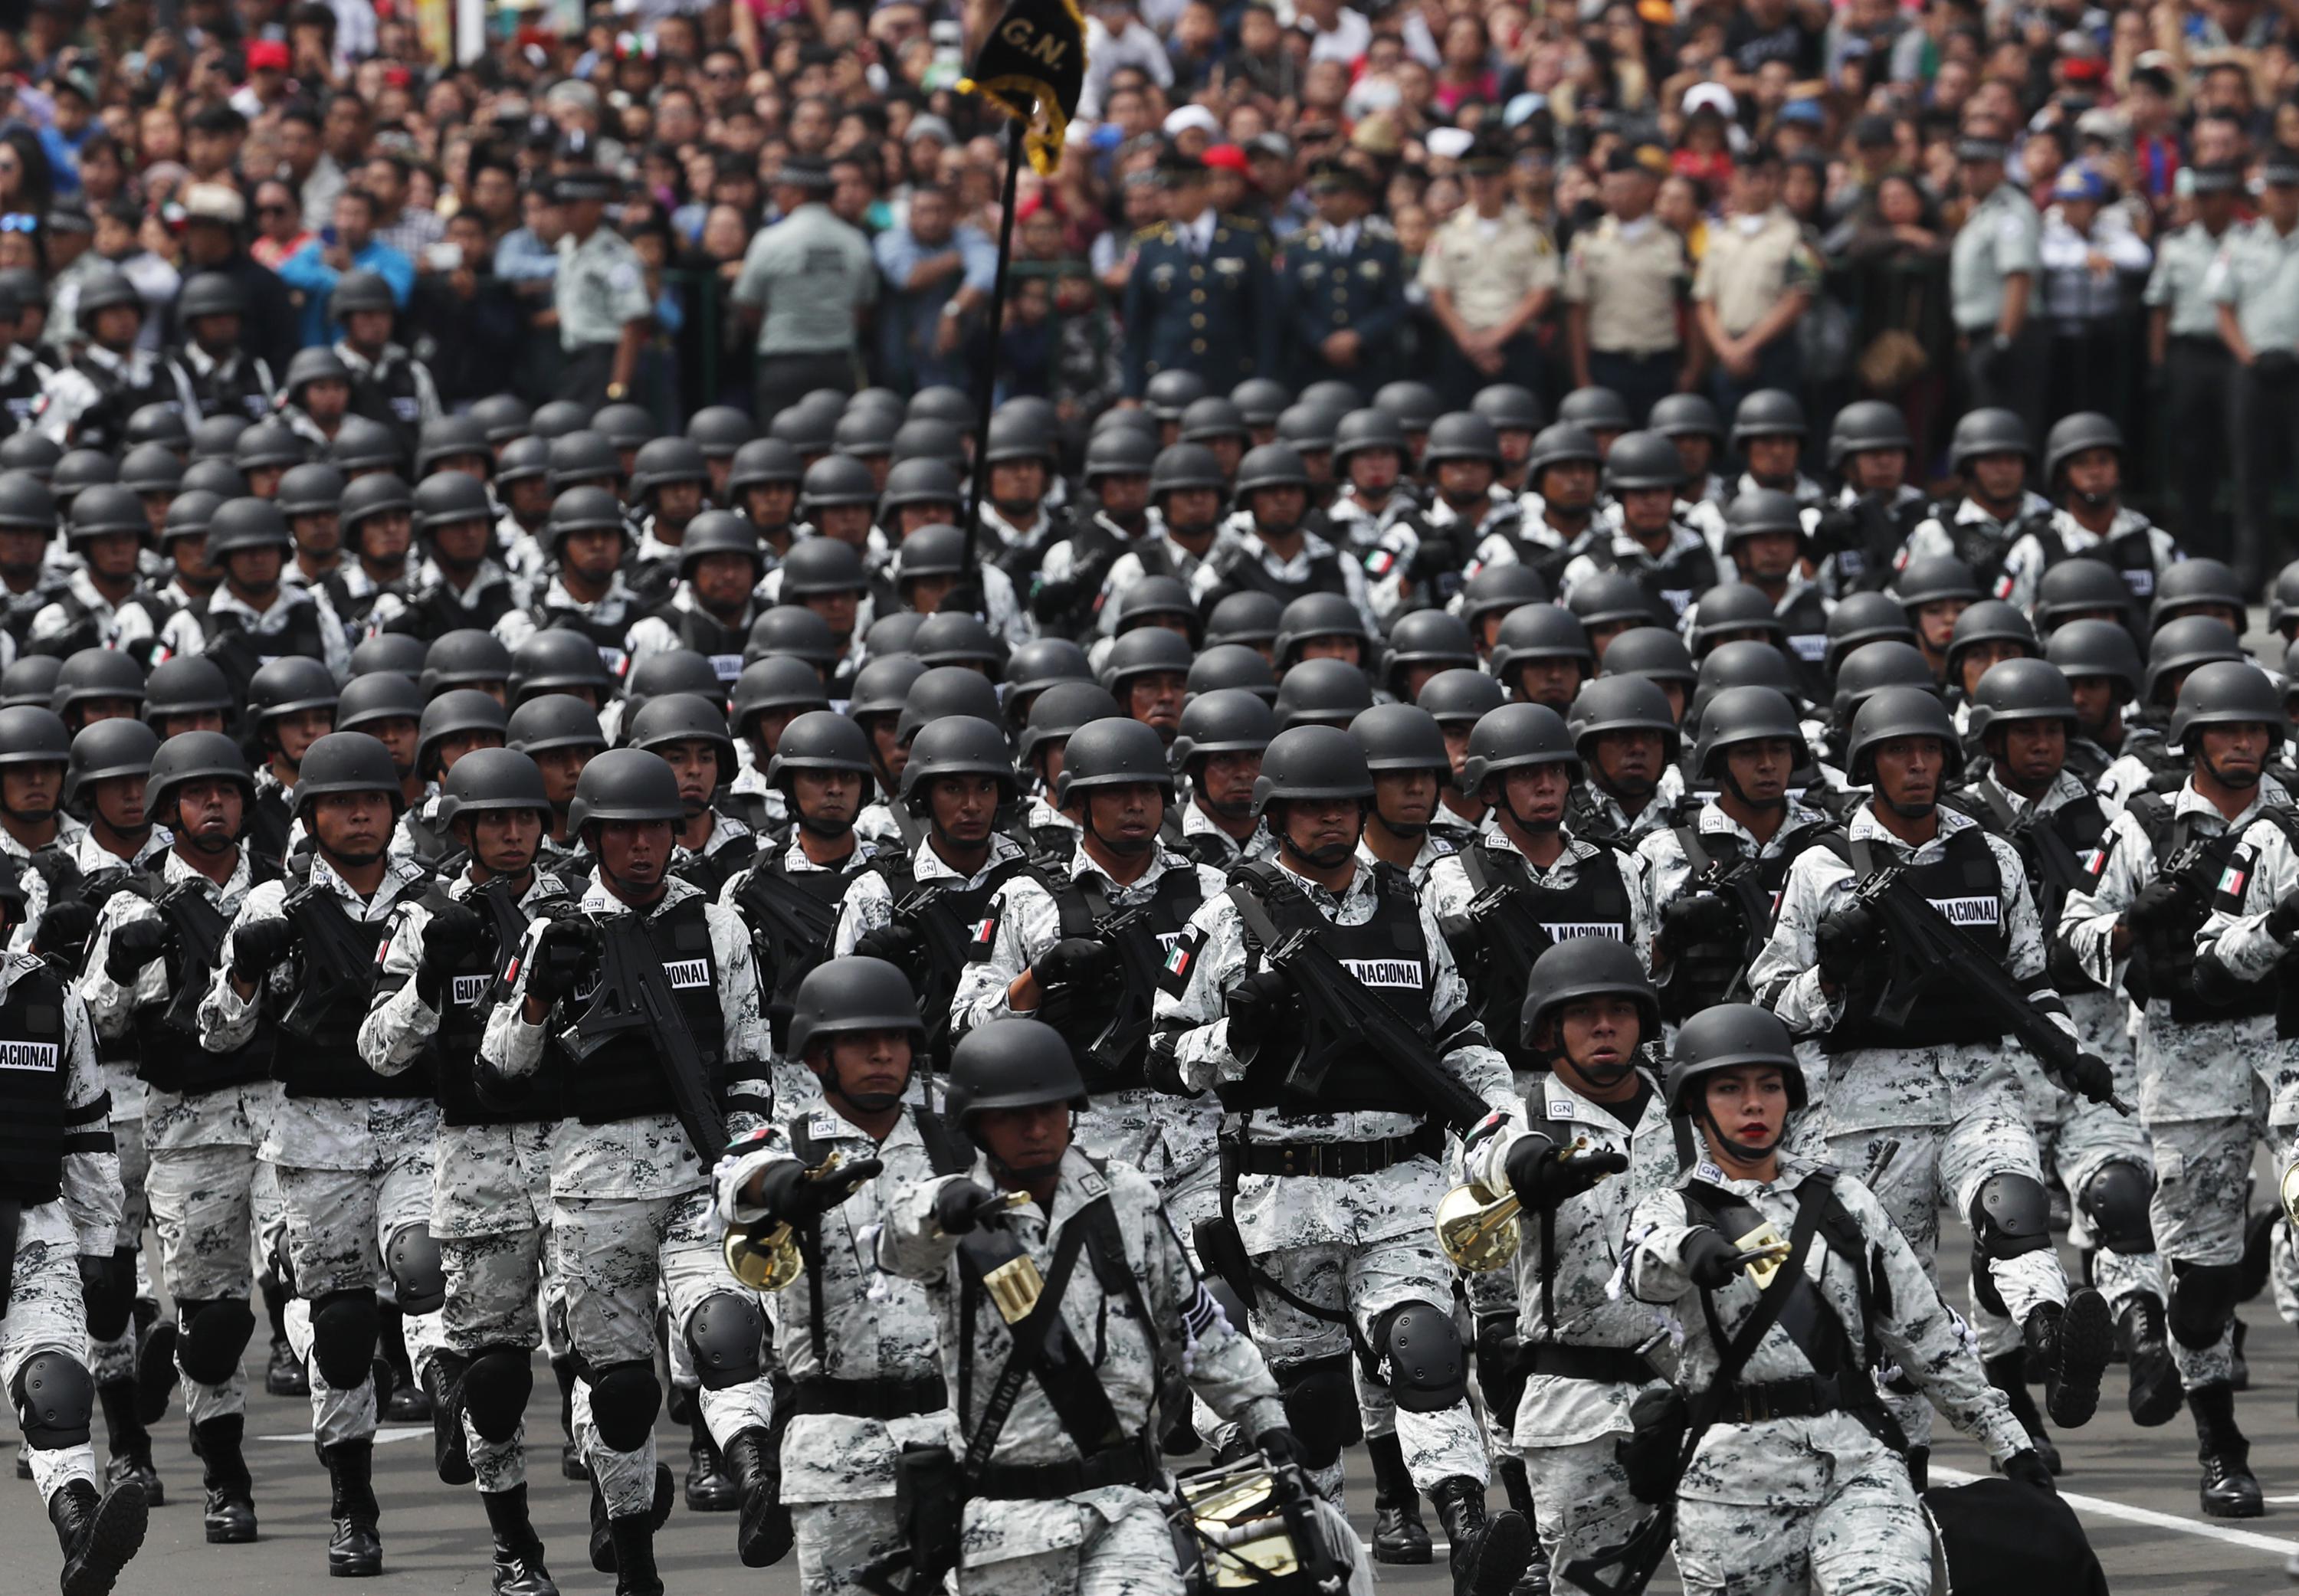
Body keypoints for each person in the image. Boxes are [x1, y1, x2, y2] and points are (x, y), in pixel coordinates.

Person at [1152, 724, 1536, 1596]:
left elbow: (1459, 1036)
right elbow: (1168, 1054)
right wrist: (1236, 1031)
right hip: (1281, 1195)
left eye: (1343, 805)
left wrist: (1502, 1128)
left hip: (1401, 1180)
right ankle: (1312, 1571)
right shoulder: (1225, 916)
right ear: (1277, 814)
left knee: (1426, 1349)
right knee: (1309, 1406)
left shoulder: (1408, 912)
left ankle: (1470, 1531)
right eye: (1310, 807)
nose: (1330, 820)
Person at [1749, 687, 2117, 1487]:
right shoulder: (1821, 867)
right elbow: (1769, 998)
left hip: (1980, 1080)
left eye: (1930, 752)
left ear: (1950, 760)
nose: (1917, 765)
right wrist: (1831, 972)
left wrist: (2069, 1053)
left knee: (2013, 1205)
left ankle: (2053, 1339)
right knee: (1895, 1308)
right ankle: (1900, 1478)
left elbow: (2031, 979)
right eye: (1898, 752)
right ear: (1869, 764)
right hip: (1863, 1108)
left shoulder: (1992, 854)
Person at [878, 1017, 1360, 1596]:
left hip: (1125, 1510)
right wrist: (940, 1206)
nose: (1036, 1127)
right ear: (977, 1125)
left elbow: (1196, 1326)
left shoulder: (1124, 1197)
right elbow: (897, 1246)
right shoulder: (951, 1221)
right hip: (1004, 1523)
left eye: (1050, 1108)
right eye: (1014, 1114)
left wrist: (1263, 1417)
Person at [1622, 1003, 2052, 1596]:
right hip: (1732, 1482)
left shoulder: (1844, 1199)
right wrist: (1688, 1247)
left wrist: (2010, 1444)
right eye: (1729, 1088)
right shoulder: (1674, 1208)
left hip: (1855, 1461)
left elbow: (1925, 1336)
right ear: (1694, 1105)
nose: (1753, 1104)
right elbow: (1643, 1274)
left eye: (1769, 1086)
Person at [481, 749, 772, 1596]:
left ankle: (756, 1473)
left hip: (697, 1175)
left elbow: (751, 1055)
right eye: (624, 832)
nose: (643, 847)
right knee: (620, 1394)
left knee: (725, 1327)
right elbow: (503, 1064)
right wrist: (539, 993)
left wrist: (746, 1155)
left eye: (657, 830)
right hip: (592, 1188)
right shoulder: (554, 929)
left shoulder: (717, 924)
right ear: (595, 837)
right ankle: (637, 1563)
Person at [195, 732, 442, 1577]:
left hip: (416, 1128)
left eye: (374, 800)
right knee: (337, 1331)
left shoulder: (430, 905)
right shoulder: (275, 903)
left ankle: (448, 1388)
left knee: (423, 1262)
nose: (361, 813)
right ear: (311, 814)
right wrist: (244, 974)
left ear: (394, 809)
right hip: (314, 1141)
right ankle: (352, 1501)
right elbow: (216, 1031)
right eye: (342, 802)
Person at [2058, 661, 2292, 1516]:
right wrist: (2129, 922)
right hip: (2185, 1054)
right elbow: (2074, 930)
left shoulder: (2293, 815)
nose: (2244, 745)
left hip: (2289, 1040)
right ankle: (2219, 1443)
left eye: (2257, 731)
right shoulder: (2143, 826)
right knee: (2199, 1286)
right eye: (2226, 732)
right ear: (2192, 739)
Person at [356, 747, 573, 1593]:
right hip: (472, 1153)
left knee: (596, 1353)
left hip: (577, 1146)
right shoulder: (422, 916)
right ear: (466, 828)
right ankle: (513, 1543)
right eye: (495, 820)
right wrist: (430, 983)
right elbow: (379, 1050)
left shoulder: (580, 902)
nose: (513, 832)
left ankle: (618, 1506)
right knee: (493, 1370)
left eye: (525, 817)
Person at [712, 957, 968, 1594]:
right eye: (860, 1041)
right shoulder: (785, 1143)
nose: (884, 1054)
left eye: (897, 1039)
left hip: (953, 1429)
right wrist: (789, 1187)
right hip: (837, 1447)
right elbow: (737, 1184)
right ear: (820, 1055)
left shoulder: (957, 1144)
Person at [0, 857, 153, 1596]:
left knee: (57, 1383)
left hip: (29, 1222)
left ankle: (83, 1532)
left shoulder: (49, 995)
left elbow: (90, 1129)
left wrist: (100, 1245)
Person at [1120, 149, 1280, 401]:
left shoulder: (1246, 240)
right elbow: (1136, 327)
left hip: (1231, 376)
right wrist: (1131, 392)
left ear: (1204, 189)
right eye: (1165, 189)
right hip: (1167, 376)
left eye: (1177, 189)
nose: (1168, 197)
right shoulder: (1149, 246)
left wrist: (1264, 379)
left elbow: (1266, 320)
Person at [2145, 164, 2244, 562]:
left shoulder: (2250, 241)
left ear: (2229, 200)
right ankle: (2198, 543)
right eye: (2198, 197)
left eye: (2212, 196)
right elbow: (2160, 306)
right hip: (2190, 353)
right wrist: (2157, 361)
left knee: (2241, 452)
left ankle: (2241, 546)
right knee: (2192, 454)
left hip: (2236, 355)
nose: (2204, 205)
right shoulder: (2176, 244)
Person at [2212, 149, 2299, 589]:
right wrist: (2248, 355)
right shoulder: (2240, 241)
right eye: (2277, 189)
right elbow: (2223, 307)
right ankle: (2252, 568)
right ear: (2263, 195)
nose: (2284, 197)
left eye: (2291, 189)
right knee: (2250, 475)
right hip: (2253, 368)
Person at [732, 156, 876, 418]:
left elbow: (748, 303)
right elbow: (864, 309)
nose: (775, 194)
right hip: (839, 363)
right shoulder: (855, 241)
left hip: (784, 364)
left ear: (798, 192)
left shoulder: (770, 240)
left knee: (782, 451)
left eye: (780, 188)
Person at [1562, 151, 1691, 425]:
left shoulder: (1671, 240)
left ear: (1646, 190)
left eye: (1623, 189)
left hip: (1659, 362)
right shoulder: (1588, 239)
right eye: (1608, 189)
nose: (1614, 196)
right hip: (1607, 362)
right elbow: (1577, 311)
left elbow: (1690, 307)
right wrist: (1582, 376)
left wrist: (1692, 369)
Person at [1950, 135, 2045, 445]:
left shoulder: (2011, 212)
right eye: (1965, 166)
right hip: (1983, 336)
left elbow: (2018, 278)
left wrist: (2004, 341)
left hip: (2009, 338)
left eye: (1979, 166)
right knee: (1985, 431)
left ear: (2000, 169)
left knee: (2006, 434)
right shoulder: (1982, 211)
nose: (1969, 174)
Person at [548, 168, 652, 412]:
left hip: (604, 361)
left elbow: (633, 323)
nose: (564, 210)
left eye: (572, 204)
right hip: (574, 361)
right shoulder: (567, 246)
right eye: (561, 203)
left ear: (596, 207)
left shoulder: (616, 255)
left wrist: (618, 387)